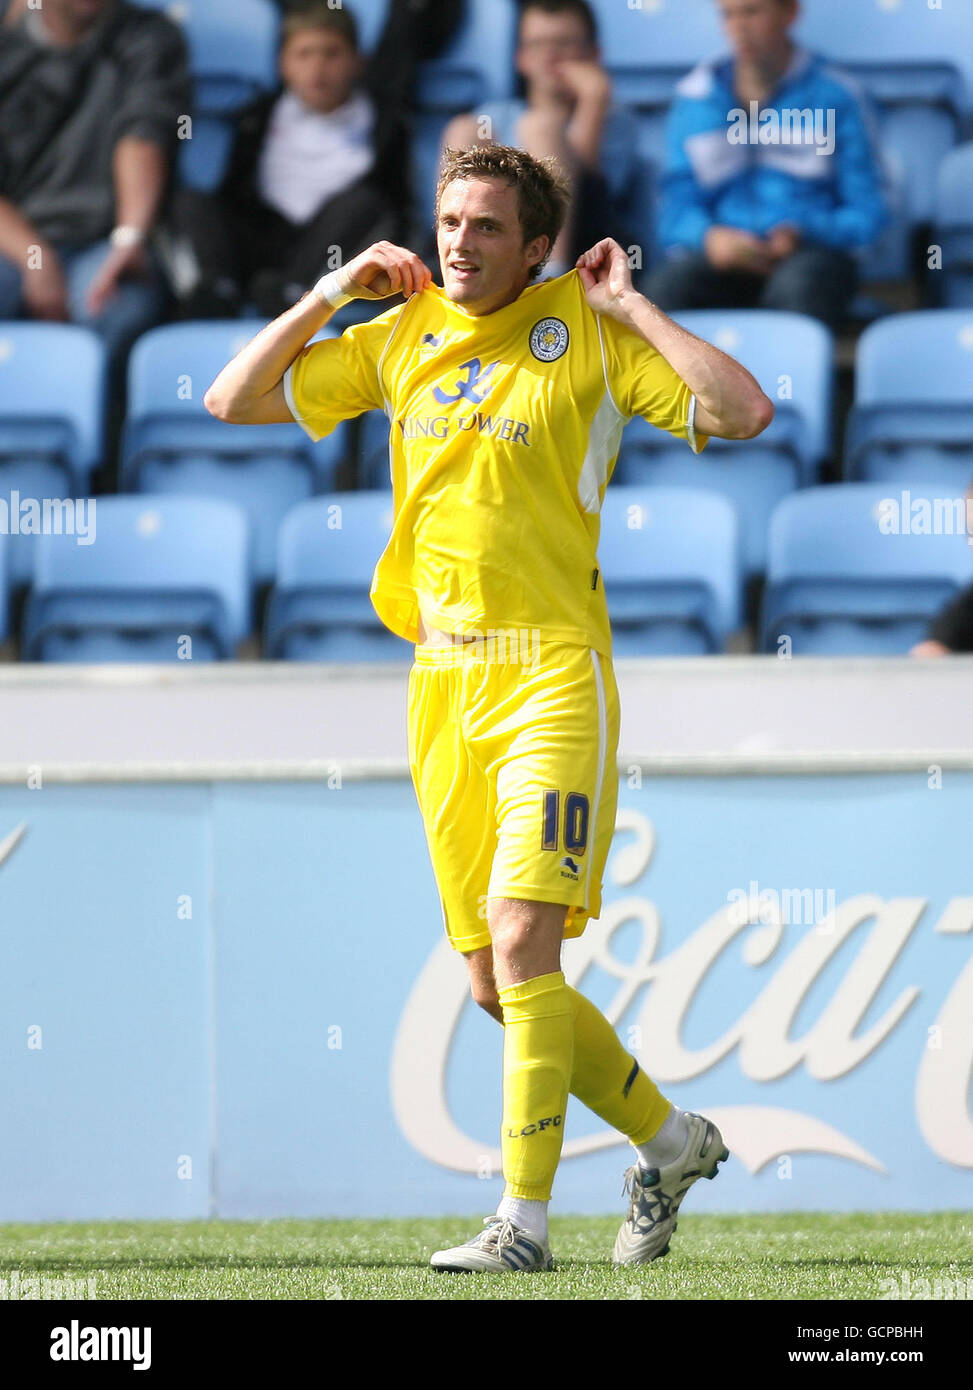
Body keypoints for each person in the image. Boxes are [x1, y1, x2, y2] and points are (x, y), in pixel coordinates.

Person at [204, 143, 773, 1272]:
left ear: (536, 248)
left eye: (485, 228)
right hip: (441, 680)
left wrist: (632, 304)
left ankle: (522, 1223)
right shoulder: (401, 333)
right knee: (497, 983)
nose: (458, 243)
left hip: (553, 671)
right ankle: (669, 1141)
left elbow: (742, 409)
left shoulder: (589, 335)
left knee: (522, 940)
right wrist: (330, 291)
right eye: (449, 221)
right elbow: (233, 398)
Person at [169, 2, 422, 319]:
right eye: (304, 54)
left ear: (359, 62)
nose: (317, 68)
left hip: (333, 248)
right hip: (261, 241)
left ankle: (294, 292)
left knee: (364, 203)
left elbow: (396, 206)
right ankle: (218, 289)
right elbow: (231, 195)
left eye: (331, 53)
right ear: (282, 64)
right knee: (190, 201)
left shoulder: (386, 120)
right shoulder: (256, 118)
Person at [647, 0, 890, 329]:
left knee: (800, 286)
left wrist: (804, 230)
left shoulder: (838, 96)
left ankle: (790, 380)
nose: (739, 27)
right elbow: (674, 206)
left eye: (752, 11)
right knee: (661, 292)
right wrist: (709, 238)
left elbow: (869, 213)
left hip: (812, 257)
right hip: (722, 260)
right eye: (728, 14)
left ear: (790, 13)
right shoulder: (695, 98)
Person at [0, 0, 189, 375]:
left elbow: (143, 134)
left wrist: (129, 238)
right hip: (12, 244)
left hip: (103, 242)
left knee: (117, 312)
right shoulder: (9, 46)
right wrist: (36, 259)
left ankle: (88, 427)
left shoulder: (150, 37)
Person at [439, 0, 638, 277]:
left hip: (584, 246)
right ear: (520, 57)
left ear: (593, 54)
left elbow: (599, 193)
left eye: (564, 44)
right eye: (538, 44)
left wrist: (593, 102)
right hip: (498, 240)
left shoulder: (615, 120)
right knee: (464, 129)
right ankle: (456, 262)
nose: (550, 56)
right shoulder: (492, 117)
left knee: (541, 127)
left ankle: (549, 275)